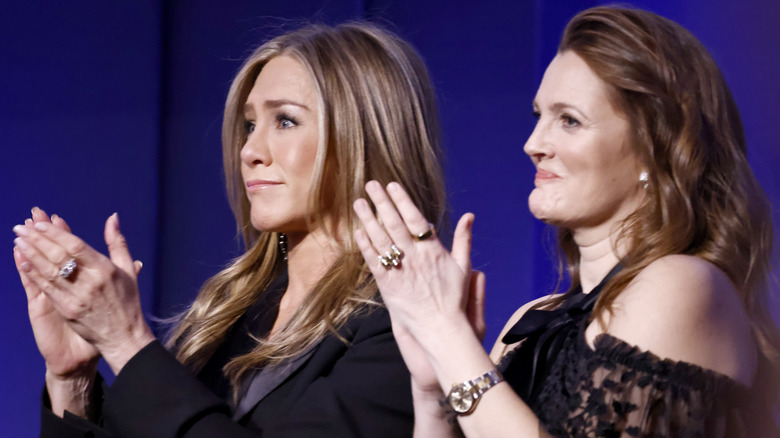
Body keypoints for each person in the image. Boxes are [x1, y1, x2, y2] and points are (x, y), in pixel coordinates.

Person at [353, 6, 780, 437]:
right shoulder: (532, 319)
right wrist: (432, 390)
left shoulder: (685, 285)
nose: (533, 144)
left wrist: (446, 333)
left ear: (654, 147)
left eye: (569, 120)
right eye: (539, 116)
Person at [12, 22, 448, 437]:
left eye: (285, 121)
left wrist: (127, 343)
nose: (250, 150)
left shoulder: (405, 325)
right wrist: (74, 380)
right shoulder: (226, 313)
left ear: (365, 137)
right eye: (249, 125)